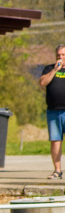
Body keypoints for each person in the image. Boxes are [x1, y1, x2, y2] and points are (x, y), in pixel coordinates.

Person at [38, 44, 65, 179]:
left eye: (63, 55)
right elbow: (42, 83)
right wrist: (55, 70)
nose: (60, 57)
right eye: (58, 55)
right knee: (55, 141)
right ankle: (57, 170)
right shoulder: (49, 68)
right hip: (53, 111)